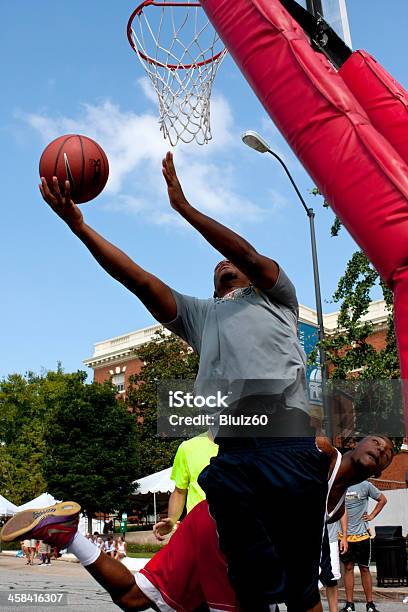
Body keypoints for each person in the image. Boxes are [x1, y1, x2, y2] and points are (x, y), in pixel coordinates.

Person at [38, 152, 324, 611]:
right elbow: (139, 280)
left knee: (301, 589)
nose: (223, 264)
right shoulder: (201, 316)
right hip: (233, 451)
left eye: (228, 262)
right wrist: (80, 227)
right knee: (251, 591)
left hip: (286, 443)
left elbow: (247, 253)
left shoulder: (277, 296)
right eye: (216, 267)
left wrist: (184, 208)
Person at [0, 435, 394, 612]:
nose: (382, 448)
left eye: (389, 452)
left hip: (214, 524)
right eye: (376, 441)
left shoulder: (338, 507)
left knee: (135, 599)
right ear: (354, 442)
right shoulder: (321, 451)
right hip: (233, 531)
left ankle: (68, 534)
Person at [154, 432, 218, 542]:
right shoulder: (187, 447)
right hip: (200, 531)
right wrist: (172, 520)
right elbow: (179, 491)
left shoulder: (251, 445)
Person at [339, 480, 388, 612]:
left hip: (363, 536)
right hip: (345, 537)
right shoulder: (342, 484)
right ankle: (349, 604)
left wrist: (372, 515)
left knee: (364, 569)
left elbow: (382, 499)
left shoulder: (365, 485)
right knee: (348, 568)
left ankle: (370, 604)